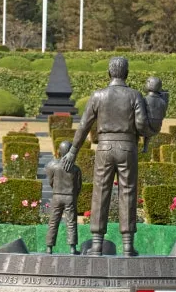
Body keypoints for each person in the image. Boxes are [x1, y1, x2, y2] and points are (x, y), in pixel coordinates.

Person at [62, 57, 158, 256]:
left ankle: (97, 244)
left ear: (109, 73)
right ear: (127, 73)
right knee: (128, 192)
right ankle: (128, 245)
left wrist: (73, 151)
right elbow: (141, 126)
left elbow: (84, 125)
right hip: (127, 147)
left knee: (100, 192)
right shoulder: (134, 95)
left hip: (104, 148)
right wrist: (152, 130)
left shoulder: (98, 95)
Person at [44, 140, 82, 255]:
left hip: (57, 196)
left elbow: (51, 181)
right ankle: (72, 248)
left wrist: (57, 190)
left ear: (59, 151)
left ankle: (49, 247)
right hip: (70, 197)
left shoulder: (53, 166)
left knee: (53, 222)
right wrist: (73, 196)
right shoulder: (76, 169)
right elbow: (78, 186)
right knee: (71, 222)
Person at [141, 76, 169, 154]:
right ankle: (145, 147)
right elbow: (163, 115)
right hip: (157, 128)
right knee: (150, 122)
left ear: (149, 85)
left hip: (145, 127)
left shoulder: (144, 100)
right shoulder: (162, 102)